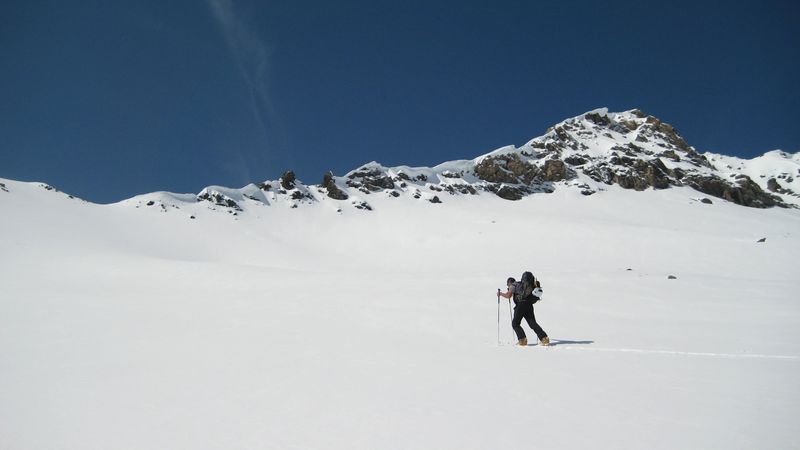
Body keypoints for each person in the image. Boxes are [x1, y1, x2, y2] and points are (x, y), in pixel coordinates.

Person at [497, 276, 550, 346]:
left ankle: (522, 340)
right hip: (529, 304)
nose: (508, 287)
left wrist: (500, 294)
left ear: (509, 283)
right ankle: (544, 338)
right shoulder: (521, 285)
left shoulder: (513, 285)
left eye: (508, 285)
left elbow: (508, 295)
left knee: (515, 323)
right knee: (532, 323)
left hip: (521, 305)